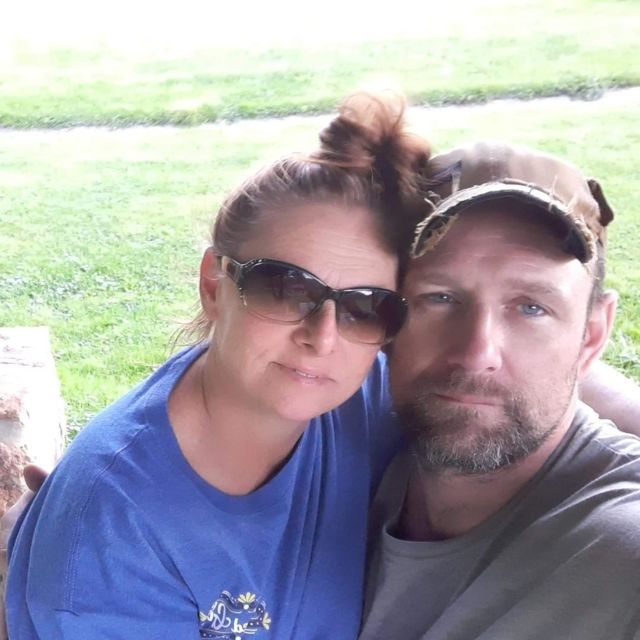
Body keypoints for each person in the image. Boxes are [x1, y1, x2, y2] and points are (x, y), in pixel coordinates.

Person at [4, 92, 431, 639]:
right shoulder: (113, 538)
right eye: (285, 288)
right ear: (213, 285)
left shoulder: (369, 401)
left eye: (365, 306)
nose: (322, 337)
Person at [360, 140, 640, 639]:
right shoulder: (337, 446)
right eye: (439, 297)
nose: (476, 353)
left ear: (591, 336)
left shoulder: (618, 545)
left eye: (532, 307)